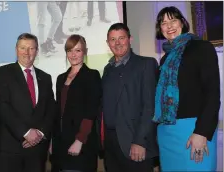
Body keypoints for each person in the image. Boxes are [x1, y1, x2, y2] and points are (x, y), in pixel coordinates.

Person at [153, 6, 220, 171]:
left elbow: (212, 93)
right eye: (164, 23)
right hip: (166, 131)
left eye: (173, 20)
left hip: (194, 130)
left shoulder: (201, 48)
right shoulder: (165, 59)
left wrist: (202, 132)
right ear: (160, 29)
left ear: (182, 22)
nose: (169, 26)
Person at [0, 33, 56, 172]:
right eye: (23, 48)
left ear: (37, 51)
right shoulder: (4, 72)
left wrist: (39, 133)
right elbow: (2, 105)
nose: (27, 52)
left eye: (31, 48)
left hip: (37, 151)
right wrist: (26, 132)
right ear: (16, 50)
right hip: (10, 149)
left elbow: (51, 109)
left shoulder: (45, 77)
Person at [102, 23, 159, 172]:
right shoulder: (107, 70)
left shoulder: (145, 64)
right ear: (108, 43)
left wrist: (140, 141)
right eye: (113, 39)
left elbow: (150, 107)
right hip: (111, 144)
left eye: (121, 38)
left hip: (134, 143)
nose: (117, 43)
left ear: (130, 39)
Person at [51, 34, 102, 172]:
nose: (73, 54)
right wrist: (52, 141)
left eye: (78, 50)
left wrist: (80, 140)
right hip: (60, 144)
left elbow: (91, 111)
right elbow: (58, 111)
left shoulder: (92, 75)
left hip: (81, 143)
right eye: (70, 50)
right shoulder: (61, 78)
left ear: (85, 52)